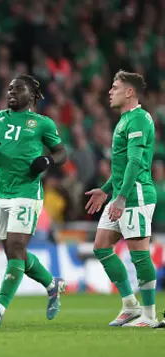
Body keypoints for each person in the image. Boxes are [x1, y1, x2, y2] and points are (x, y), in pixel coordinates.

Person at [0, 74, 67, 326]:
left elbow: (61, 153)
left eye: (18, 88)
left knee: (15, 246)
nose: (11, 92)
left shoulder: (42, 124)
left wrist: (47, 160)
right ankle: (52, 284)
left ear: (33, 95)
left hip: (27, 192)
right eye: (10, 88)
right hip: (2, 193)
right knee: (15, 254)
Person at [85, 70, 158, 328]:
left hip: (135, 194)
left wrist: (122, 197)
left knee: (139, 254)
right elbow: (122, 165)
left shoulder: (138, 119)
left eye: (115, 87)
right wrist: (107, 190)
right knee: (101, 246)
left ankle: (150, 315)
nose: (109, 91)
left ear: (129, 92)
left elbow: (136, 162)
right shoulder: (125, 119)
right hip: (120, 194)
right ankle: (130, 305)